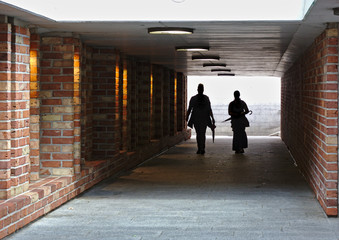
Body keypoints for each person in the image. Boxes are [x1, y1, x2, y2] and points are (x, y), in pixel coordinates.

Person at [186, 83, 215, 154]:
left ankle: (200, 148)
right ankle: (201, 148)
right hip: (203, 119)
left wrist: (187, 117)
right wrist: (212, 118)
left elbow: (189, 109)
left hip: (197, 119)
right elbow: (209, 109)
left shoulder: (194, 98)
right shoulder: (206, 98)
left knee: (199, 134)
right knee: (201, 134)